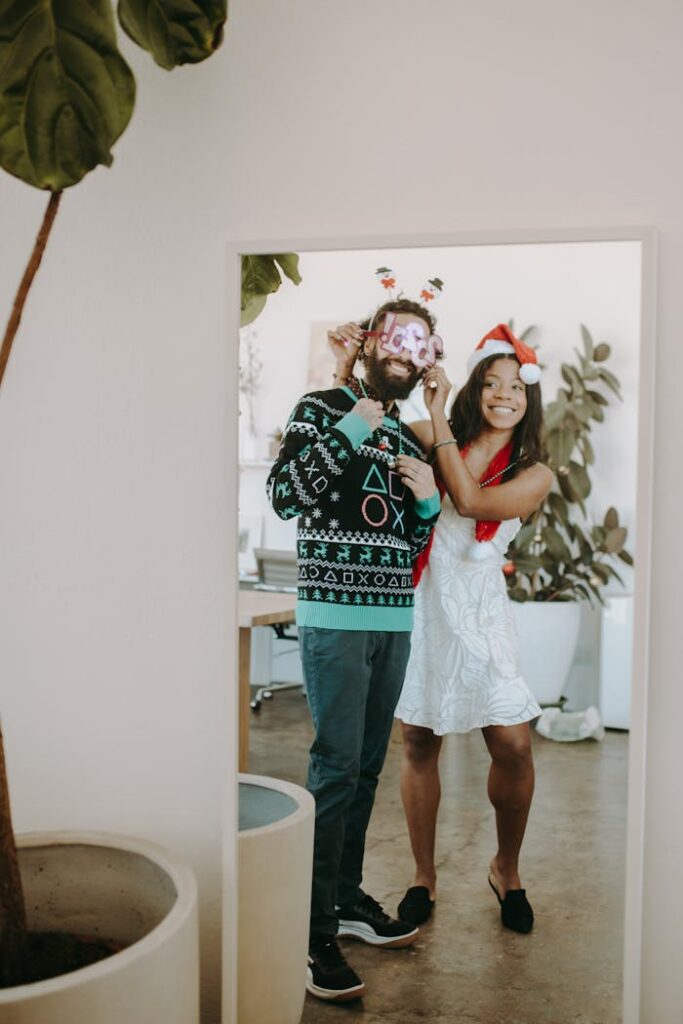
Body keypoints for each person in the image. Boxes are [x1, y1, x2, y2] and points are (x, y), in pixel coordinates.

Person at [267, 298, 441, 1003]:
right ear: (370, 341)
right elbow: (285, 495)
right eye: (398, 338)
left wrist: (427, 502)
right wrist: (348, 425)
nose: (408, 351)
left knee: (367, 767)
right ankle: (310, 938)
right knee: (335, 768)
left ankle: (342, 901)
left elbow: (409, 539)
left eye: (421, 344)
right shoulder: (320, 407)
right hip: (334, 618)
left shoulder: (407, 433)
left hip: (391, 619)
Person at [392, 324, 554, 934]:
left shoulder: (536, 473)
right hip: (423, 604)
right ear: (476, 388)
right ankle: (422, 877)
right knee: (418, 742)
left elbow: (468, 503)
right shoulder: (436, 435)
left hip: (483, 613)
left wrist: (436, 424)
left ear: (529, 397)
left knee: (513, 743)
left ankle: (506, 868)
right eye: (491, 382)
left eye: (516, 385)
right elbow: (372, 432)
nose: (503, 394)